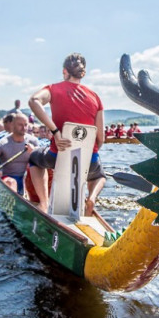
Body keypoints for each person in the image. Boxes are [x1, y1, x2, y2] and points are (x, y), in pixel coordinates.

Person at [28, 52, 106, 215]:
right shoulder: (95, 97)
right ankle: (91, 198)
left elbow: (33, 101)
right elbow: (101, 138)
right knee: (99, 176)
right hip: (89, 160)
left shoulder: (53, 89)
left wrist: (56, 132)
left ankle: (44, 203)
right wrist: (87, 154)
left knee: (34, 158)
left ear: (65, 71)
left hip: (59, 156)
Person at [0, 113, 38, 195]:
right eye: (20, 125)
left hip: (28, 179)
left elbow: (43, 158)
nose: (24, 128)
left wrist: (34, 151)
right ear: (13, 125)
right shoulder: (2, 143)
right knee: (11, 182)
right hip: (9, 178)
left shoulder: (33, 141)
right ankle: (16, 200)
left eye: (26, 125)